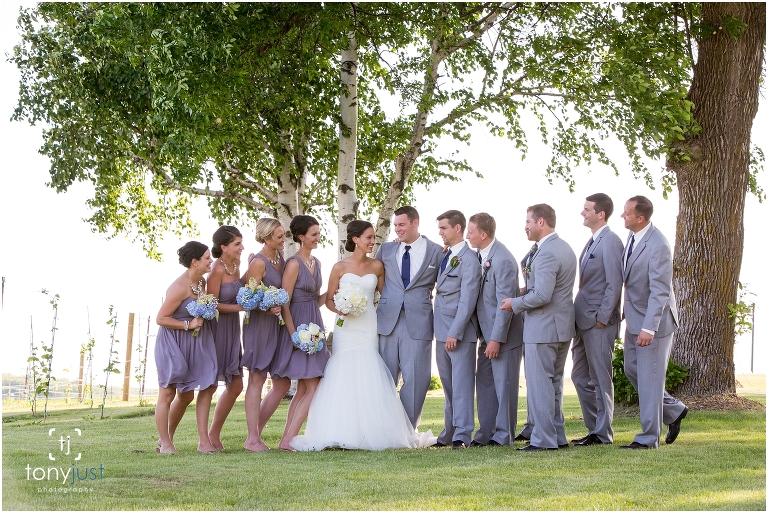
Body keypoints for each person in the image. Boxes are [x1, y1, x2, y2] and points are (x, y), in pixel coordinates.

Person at [291, 220, 436, 451]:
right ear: (355, 239)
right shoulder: (339, 267)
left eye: (374, 238)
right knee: (342, 371)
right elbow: (329, 299)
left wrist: (420, 297)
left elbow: (389, 295)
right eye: (369, 237)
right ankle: (339, 431)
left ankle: (372, 430)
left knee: (369, 370)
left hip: (368, 324)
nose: (372, 242)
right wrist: (342, 309)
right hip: (346, 327)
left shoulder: (377, 266)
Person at [502, 204, 576, 451]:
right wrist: (527, 289)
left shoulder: (546, 253)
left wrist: (514, 303)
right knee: (554, 384)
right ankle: (557, 436)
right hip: (560, 327)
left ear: (541, 222)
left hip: (543, 327)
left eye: (528, 222)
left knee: (540, 385)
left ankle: (543, 439)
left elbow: (543, 295)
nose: (525, 226)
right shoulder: (563, 247)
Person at [619, 195, 688, 449]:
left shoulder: (658, 244)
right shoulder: (632, 237)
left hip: (654, 323)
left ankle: (649, 438)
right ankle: (674, 410)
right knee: (631, 369)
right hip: (634, 318)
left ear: (640, 218)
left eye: (627, 213)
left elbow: (660, 291)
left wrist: (649, 328)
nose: (622, 216)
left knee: (650, 379)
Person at [375, 205, 443, 430]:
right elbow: (374, 277)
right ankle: (384, 428)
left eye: (402, 224)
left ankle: (406, 429)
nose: (397, 229)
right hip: (387, 320)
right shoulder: (386, 249)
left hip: (419, 321)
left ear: (415, 223)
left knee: (417, 379)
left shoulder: (436, 251)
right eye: (395, 225)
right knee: (384, 378)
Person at [271, 215, 330, 451]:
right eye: (313, 234)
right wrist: (294, 335)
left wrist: (337, 291)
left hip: (315, 324)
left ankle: (287, 439)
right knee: (313, 387)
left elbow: (315, 300)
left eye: (318, 233)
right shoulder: (293, 263)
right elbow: (285, 302)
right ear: (301, 237)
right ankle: (289, 440)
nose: (318, 237)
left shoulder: (318, 263)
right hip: (298, 326)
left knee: (306, 388)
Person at [154, 241, 218, 454]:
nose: (211, 261)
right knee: (167, 393)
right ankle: (166, 444)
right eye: (207, 258)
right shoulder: (179, 287)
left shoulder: (201, 282)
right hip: (172, 342)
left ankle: (166, 439)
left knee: (187, 395)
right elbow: (161, 318)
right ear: (195, 261)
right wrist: (188, 325)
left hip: (192, 342)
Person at [570, 194, 624, 446]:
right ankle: (594, 429)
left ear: (600, 214)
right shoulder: (593, 241)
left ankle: (603, 433)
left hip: (598, 322)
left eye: (587, 209)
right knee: (579, 376)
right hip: (582, 321)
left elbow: (614, 284)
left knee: (601, 378)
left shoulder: (611, 241)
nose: (582, 213)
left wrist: (602, 317)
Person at [467, 212, 524, 447]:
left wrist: (496, 339)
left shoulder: (503, 260)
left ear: (483, 234)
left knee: (504, 387)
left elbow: (505, 304)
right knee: (485, 384)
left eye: (470, 232)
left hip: (504, 336)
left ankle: (503, 435)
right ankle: (486, 433)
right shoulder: (479, 255)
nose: (467, 236)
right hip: (485, 333)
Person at [241, 218, 292, 452]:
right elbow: (246, 298)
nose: (284, 239)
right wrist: (266, 307)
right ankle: (253, 439)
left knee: (282, 382)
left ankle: (254, 435)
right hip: (259, 327)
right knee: (257, 378)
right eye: (279, 236)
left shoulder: (281, 258)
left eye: (284, 235)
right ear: (266, 238)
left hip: (278, 326)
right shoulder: (259, 263)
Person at [433, 211, 481, 450]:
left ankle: (462, 434)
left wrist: (455, 332)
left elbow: (467, 300)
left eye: (443, 228)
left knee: (461, 386)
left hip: (458, 333)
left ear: (457, 228)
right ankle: (449, 432)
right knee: (449, 387)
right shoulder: (446, 255)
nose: (440, 232)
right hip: (440, 330)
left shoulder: (469, 260)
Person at [206, 226, 245, 451]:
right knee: (210, 384)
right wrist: (240, 307)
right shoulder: (216, 269)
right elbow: (211, 304)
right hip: (217, 328)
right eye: (237, 244)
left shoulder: (237, 264)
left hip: (232, 328)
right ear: (224, 247)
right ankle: (168, 435)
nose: (241, 247)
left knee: (236, 384)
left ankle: (214, 433)